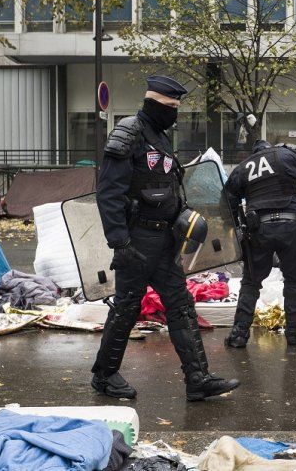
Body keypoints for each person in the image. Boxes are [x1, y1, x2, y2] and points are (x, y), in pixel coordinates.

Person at [92, 76, 240, 401]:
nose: (174, 113)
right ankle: (104, 375)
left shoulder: (159, 137)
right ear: (154, 103)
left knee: (181, 305)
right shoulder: (129, 132)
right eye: (171, 106)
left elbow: (168, 185)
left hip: (163, 240)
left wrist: (182, 215)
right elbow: (108, 193)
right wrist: (119, 242)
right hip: (136, 239)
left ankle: (197, 379)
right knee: (127, 307)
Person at [223, 139, 296, 348]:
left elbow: (227, 200)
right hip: (291, 226)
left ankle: (239, 334)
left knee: (251, 282)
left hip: (258, 230)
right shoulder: (287, 155)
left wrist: (238, 224)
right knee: (294, 282)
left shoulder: (243, 167)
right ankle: (294, 334)